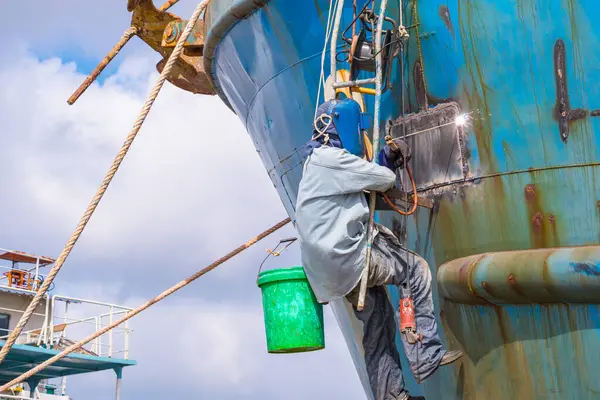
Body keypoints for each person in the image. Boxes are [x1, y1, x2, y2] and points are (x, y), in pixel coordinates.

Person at [295, 99, 463, 400]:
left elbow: (362, 182)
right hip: (348, 260)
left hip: (329, 274)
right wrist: (387, 158)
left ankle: (391, 396)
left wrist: (379, 163)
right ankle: (425, 356)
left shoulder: (312, 163)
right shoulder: (333, 159)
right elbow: (384, 179)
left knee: (378, 324)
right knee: (414, 270)